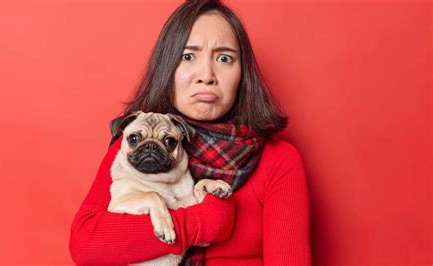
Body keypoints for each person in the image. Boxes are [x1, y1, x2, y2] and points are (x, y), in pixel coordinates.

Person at [69, 0, 311, 265]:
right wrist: (200, 222)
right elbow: (85, 245)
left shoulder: (278, 160)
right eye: (188, 56)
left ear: (243, 73)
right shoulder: (132, 144)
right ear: (167, 68)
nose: (206, 75)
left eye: (224, 58)